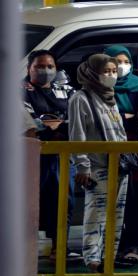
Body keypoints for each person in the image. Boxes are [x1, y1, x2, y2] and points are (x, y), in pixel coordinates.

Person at [69, 53, 128, 272]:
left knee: (117, 214)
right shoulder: (80, 98)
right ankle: (92, 258)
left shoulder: (110, 97)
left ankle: (108, 257)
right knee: (96, 213)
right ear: (92, 73)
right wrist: (83, 165)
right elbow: (77, 134)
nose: (112, 75)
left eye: (113, 71)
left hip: (119, 165)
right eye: (106, 71)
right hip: (97, 166)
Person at [22, 49, 80, 261]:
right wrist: (52, 125)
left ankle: (59, 248)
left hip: (63, 157)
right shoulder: (20, 90)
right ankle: (27, 250)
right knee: (30, 203)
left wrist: (55, 125)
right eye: (39, 66)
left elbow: (76, 119)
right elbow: (28, 122)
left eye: (49, 66)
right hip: (31, 156)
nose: (45, 70)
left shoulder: (66, 90)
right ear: (29, 68)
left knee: (64, 201)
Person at [103, 45, 138, 265]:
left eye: (124, 61)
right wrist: (124, 115)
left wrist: (120, 117)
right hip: (105, 148)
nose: (120, 66)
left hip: (132, 148)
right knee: (108, 199)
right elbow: (99, 117)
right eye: (115, 61)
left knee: (133, 199)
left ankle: (134, 245)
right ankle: (112, 245)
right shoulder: (99, 85)